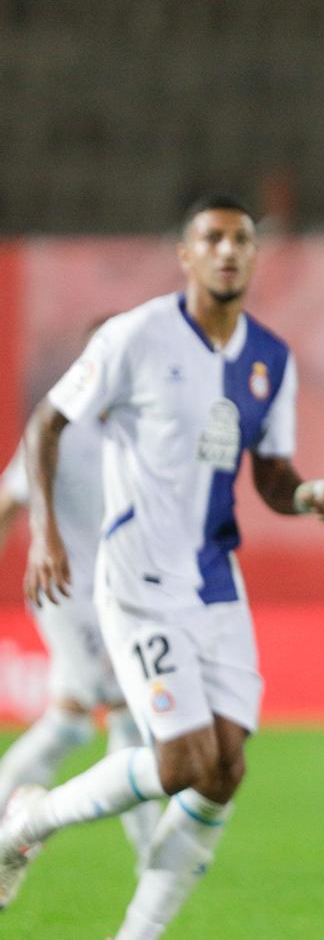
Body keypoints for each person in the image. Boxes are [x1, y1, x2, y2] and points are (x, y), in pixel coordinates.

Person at [0, 194, 324, 940]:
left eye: (242, 240)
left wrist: (306, 496)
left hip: (215, 583)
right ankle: (28, 821)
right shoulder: (138, 335)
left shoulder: (270, 358)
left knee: (226, 767)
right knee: (181, 757)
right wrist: (49, 532)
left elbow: (269, 471)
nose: (228, 251)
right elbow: (47, 423)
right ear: (186, 256)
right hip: (137, 577)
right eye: (212, 239)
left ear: (255, 257)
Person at [0, 365, 160, 865]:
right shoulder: (57, 430)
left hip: (119, 600)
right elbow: (9, 502)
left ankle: (149, 852)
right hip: (67, 595)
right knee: (123, 717)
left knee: (83, 721)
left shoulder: (139, 437)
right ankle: (150, 853)